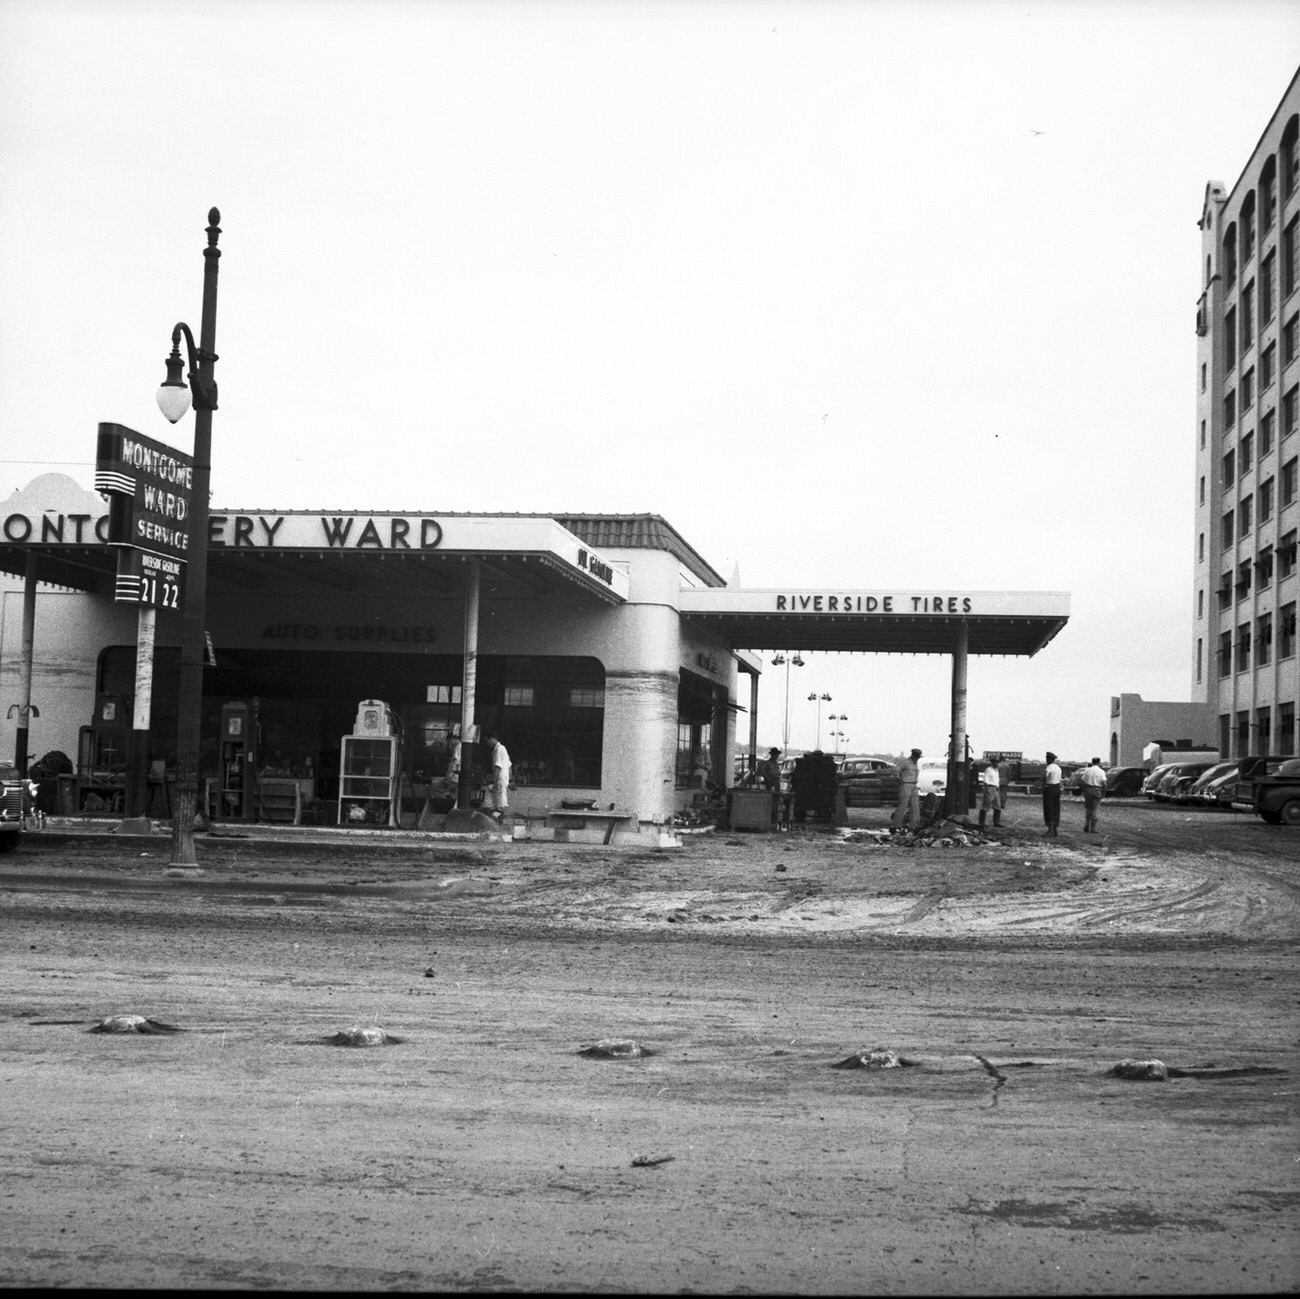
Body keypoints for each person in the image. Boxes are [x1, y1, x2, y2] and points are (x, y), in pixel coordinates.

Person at [892, 748, 922, 830]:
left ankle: (914, 825)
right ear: (913, 755)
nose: (917, 758)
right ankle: (896, 825)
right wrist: (899, 778)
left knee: (915, 806)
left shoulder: (915, 763)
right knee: (903, 805)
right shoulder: (906, 762)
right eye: (916, 757)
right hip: (906, 785)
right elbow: (896, 770)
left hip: (914, 785)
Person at [484, 733, 511, 820]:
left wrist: (493, 782)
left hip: (499, 780)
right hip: (503, 780)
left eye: (487, 741)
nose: (487, 744)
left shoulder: (499, 750)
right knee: (498, 803)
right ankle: (497, 821)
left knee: (498, 805)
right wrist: (510, 780)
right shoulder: (503, 748)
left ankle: (497, 822)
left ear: (492, 738)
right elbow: (509, 765)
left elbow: (498, 767)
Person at [1079, 756, 1106, 832]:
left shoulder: (1087, 771)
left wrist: (1085, 790)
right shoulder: (1101, 771)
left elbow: (1082, 781)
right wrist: (1103, 792)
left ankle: (1087, 825)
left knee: (1088, 809)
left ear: (1092, 762)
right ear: (1099, 762)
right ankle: (1093, 828)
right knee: (1095, 809)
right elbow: (1104, 783)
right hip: (1097, 790)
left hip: (1088, 790)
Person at [1042, 751, 1062, 836]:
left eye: (1047, 758)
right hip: (1057, 788)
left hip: (1049, 788)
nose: (1046, 760)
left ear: (1049, 759)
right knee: (1056, 808)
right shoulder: (1058, 768)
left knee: (1048, 808)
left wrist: (1043, 786)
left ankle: (1050, 830)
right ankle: (1055, 830)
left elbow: (1044, 777)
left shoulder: (1049, 767)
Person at [978, 758, 1001, 829]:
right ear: (993, 763)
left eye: (997, 762)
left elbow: (997, 779)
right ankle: (981, 823)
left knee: (997, 805)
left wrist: (997, 787)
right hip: (989, 787)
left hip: (995, 788)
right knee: (986, 805)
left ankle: (996, 822)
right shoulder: (988, 769)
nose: (997, 764)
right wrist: (987, 789)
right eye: (995, 762)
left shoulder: (996, 770)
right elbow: (986, 780)